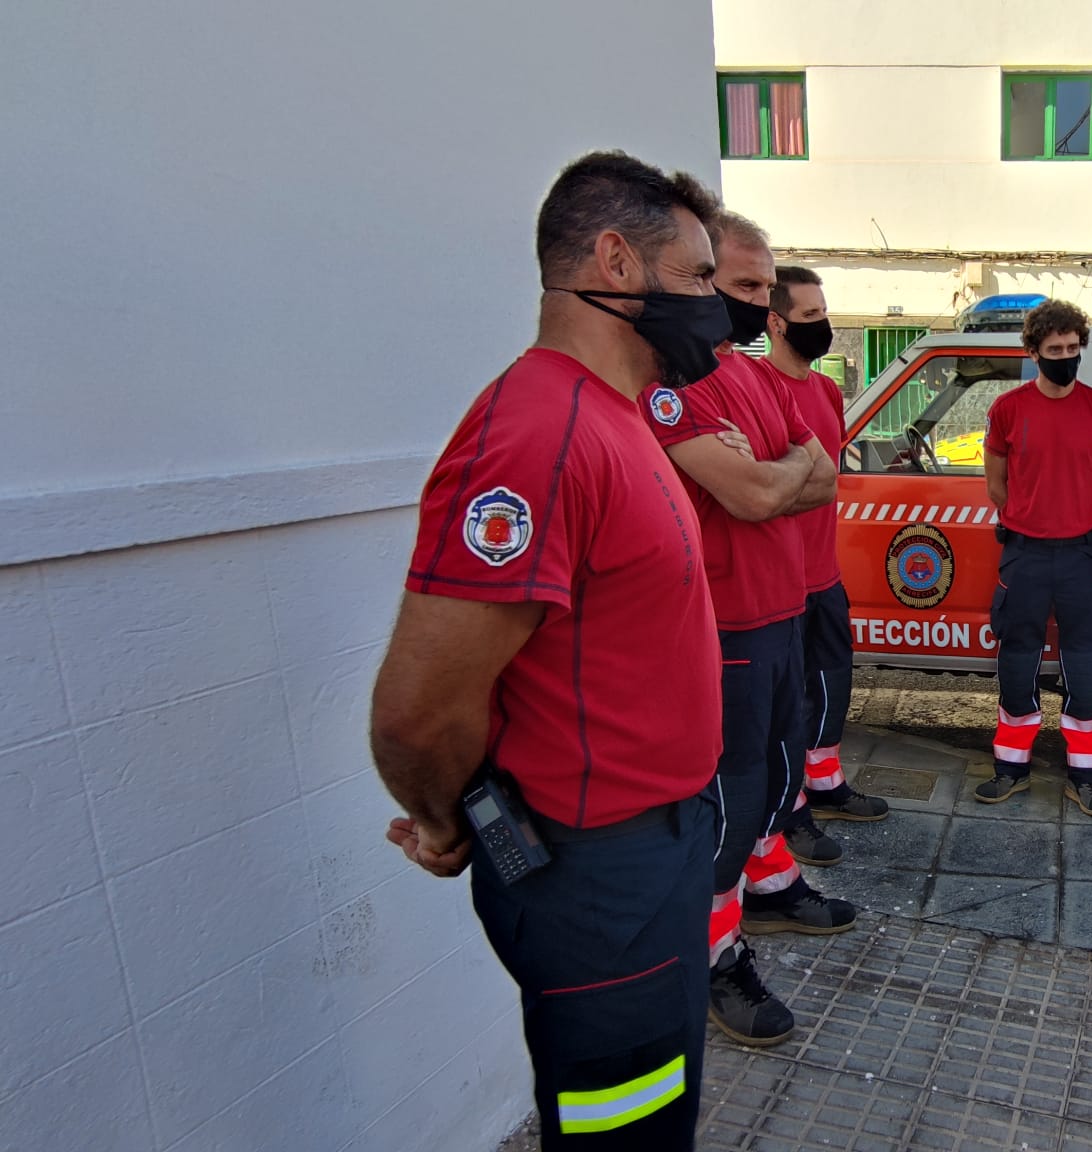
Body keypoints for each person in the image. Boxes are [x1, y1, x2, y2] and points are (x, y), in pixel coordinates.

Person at [370, 151, 730, 1148]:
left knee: (655, 1112)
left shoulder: (616, 422)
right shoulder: (540, 434)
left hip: (652, 853)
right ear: (616, 264)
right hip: (596, 878)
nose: (714, 303)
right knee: (625, 1129)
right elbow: (417, 711)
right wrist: (447, 823)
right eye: (698, 276)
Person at [641, 210, 854, 1048]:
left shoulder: (758, 378)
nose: (761, 306)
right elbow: (763, 495)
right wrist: (776, 472)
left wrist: (772, 469)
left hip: (781, 614)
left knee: (773, 779)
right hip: (722, 627)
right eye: (741, 287)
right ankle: (710, 958)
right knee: (725, 806)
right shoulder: (672, 385)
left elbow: (820, 476)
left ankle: (757, 901)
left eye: (768, 290)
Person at [974, 299, 1092, 817]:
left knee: (1085, 665)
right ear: (1033, 352)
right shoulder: (1008, 409)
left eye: (1072, 347)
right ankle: (1011, 769)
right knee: (1017, 661)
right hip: (1025, 553)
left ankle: (1085, 777)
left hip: (1081, 553)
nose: (1066, 356)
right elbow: (996, 485)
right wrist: (1034, 517)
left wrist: (1070, 520)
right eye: (1055, 349)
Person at [759, 265, 891, 855]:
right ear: (775, 322)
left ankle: (826, 781)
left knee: (833, 684)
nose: (824, 326)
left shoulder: (825, 391)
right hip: (778, 582)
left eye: (823, 312)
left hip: (823, 573)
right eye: (810, 317)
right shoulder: (755, 386)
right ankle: (790, 811)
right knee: (789, 705)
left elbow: (826, 476)